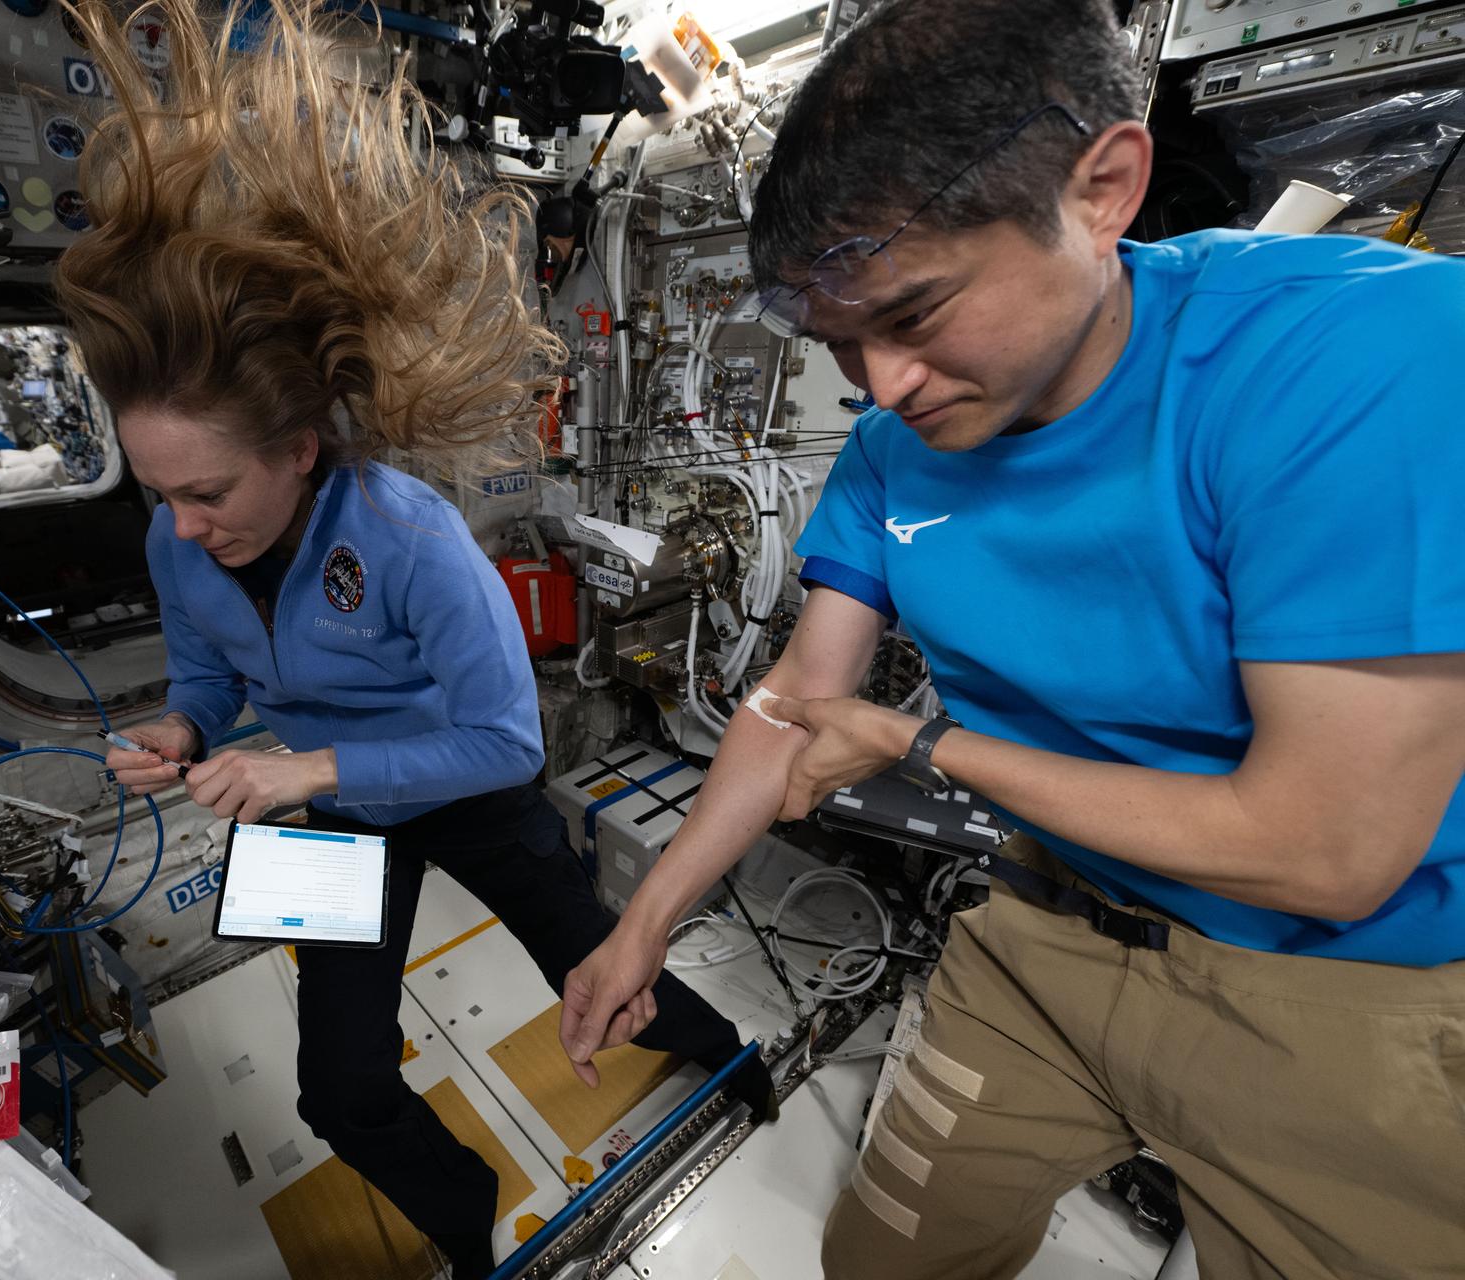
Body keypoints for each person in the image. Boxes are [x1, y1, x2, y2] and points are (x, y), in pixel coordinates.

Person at [558, 1, 1465, 1276]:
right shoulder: (892, 453)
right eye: (841, 342)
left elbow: (1325, 851)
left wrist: (925, 745)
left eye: (915, 315)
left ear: (1102, 190)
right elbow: (794, 699)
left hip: (1342, 991)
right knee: (882, 1261)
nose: (880, 387)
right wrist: (647, 918)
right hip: (1050, 928)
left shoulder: (1349, 357)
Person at [51, 5, 768, 1275]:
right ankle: (462, 1211)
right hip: (333, 817)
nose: (183, 525)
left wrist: (308, 768)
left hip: (464, 793)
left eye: (206, 491)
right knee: (338, 1088)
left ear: (297, 448)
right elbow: (210, 670)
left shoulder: (409, 535)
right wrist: (184, 724)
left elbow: (504, 742)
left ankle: (725, 1053)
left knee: (605, 966)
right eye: (160, 494)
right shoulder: (178, 541)